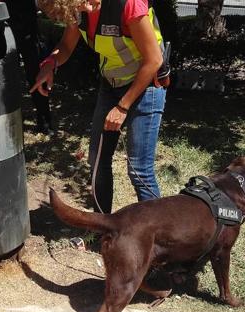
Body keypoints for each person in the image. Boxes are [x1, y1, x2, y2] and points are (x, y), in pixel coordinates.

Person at [31, 0, 167, 213]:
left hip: (147, 85)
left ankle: (158, 238)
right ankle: (102, 227)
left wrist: (122, 107)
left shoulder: (128, 5)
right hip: (111, 84)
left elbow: (154, 60)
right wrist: (50, 64)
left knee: (139, 169)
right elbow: (66, 45)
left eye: (74, 9)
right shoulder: (77, 9)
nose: (76, 16)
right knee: (97, 160)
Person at [0, 0, 53, 134]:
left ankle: (44, 121)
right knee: (6, 76)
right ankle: (9, 118)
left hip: (27, 26)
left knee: (36, 74)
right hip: (3, 27)